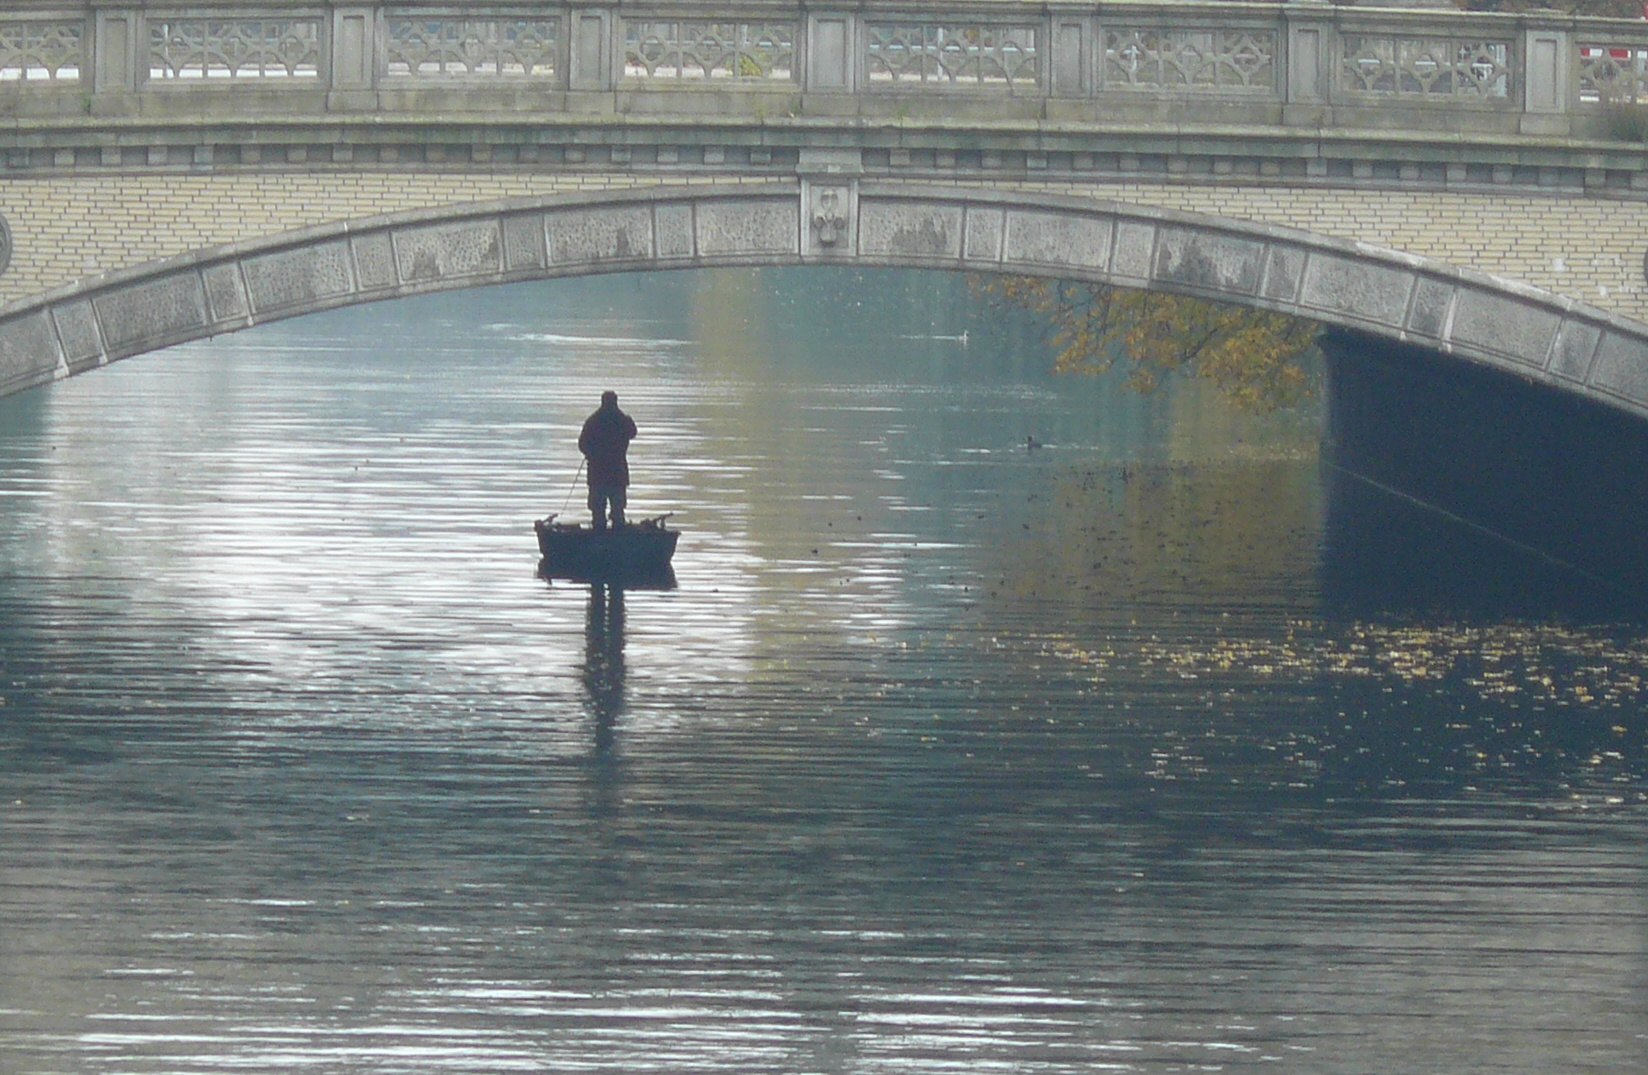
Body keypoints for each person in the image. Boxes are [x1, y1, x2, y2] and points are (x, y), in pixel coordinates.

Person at [578, 390, 637, 531]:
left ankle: (598, 534)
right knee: (617, 509)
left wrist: (591, 453)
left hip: (598, 472)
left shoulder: (593, 421)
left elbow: (582, 444)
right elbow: (633, 432)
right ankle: (618, 535)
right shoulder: (622, 420)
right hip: (617, 472)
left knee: (598, 509)